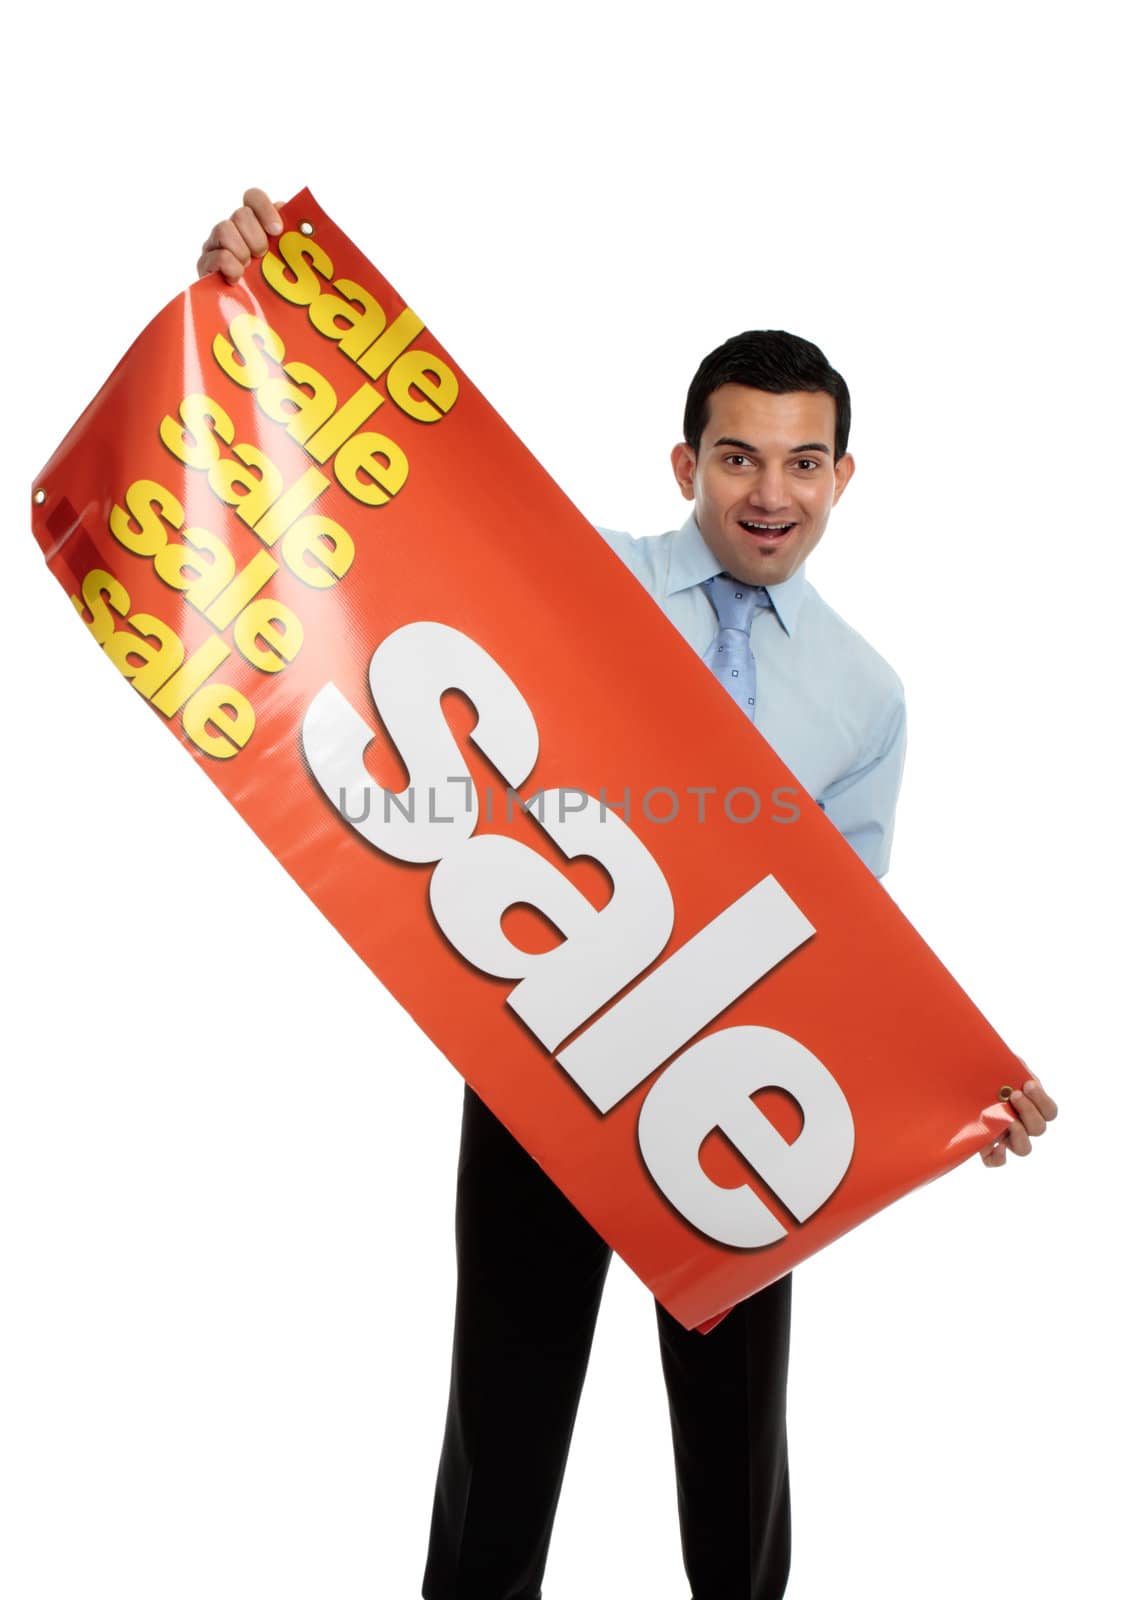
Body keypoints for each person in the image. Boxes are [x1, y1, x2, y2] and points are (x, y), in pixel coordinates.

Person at [198, 190, 1059, 1600]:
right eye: (737, 457)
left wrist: (960, 1086)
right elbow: (370, 541)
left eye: (801, 462)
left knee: (736, 1446)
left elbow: (850, 940)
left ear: (847, 477)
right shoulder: (578, 579)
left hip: (733, 1092)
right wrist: (256, 318)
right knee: (506, 1417)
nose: (767, 494)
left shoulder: (865, 693)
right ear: (687, 461)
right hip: (546, 1049)